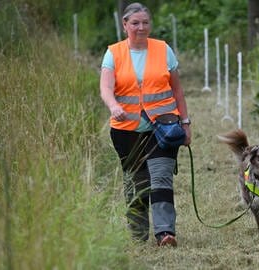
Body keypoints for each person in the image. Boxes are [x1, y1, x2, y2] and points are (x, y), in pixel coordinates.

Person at [99, 2, 191, 247]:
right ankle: (138, 235)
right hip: (126, 131)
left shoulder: (163, 49)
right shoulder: (113, 53)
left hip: (163, 128)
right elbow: (106, 88)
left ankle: (165, 233)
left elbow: (178, 91)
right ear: (125, 25)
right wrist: (113, 106)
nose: (141, 27)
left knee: (161, 179)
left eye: (145, 22)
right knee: (136, 183)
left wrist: (186, 123)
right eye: (135, 23)